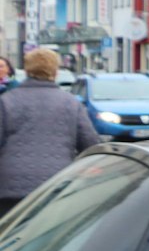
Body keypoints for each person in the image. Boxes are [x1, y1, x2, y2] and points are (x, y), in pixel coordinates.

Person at [0, 48, 104, 215]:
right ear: (55, 72)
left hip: (10, 187)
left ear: (27, 70)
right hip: (56, 184)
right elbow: (90, 144)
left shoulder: (6, 101)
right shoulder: (71, 103)